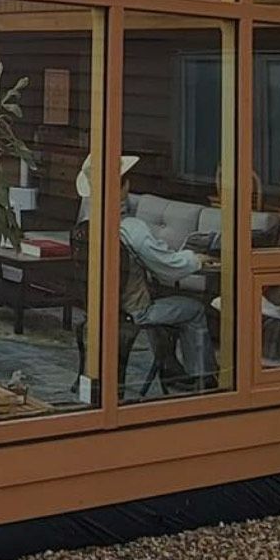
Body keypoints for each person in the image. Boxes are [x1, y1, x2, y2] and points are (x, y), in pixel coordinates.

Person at [77, 154, 217, 391]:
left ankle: (170, 367)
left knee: (161, 301)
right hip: (132, 310)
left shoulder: (89, 223)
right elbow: (168, 266)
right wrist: (196, 260)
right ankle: (204, 379)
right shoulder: (132, 228)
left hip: (103, 306)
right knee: (193, 310)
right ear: (124, 186)